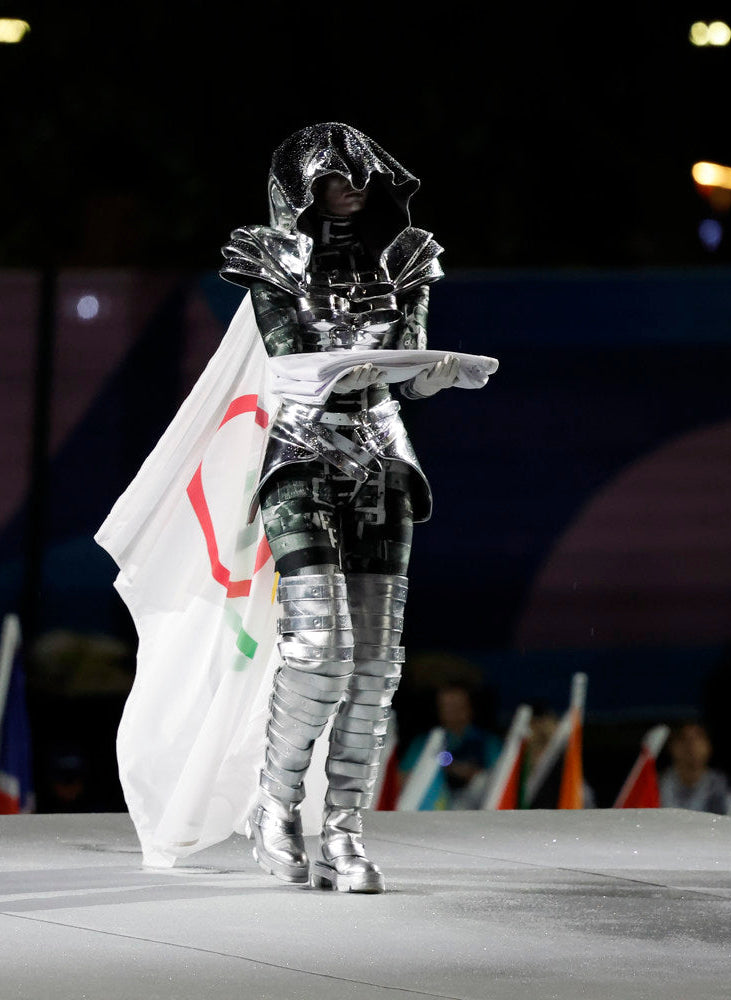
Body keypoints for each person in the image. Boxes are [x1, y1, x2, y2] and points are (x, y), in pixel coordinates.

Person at [220, 123, 465, 893]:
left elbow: (410, 363)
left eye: (361, 175)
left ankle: (345, 831)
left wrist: (439, 373)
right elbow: (290, 356)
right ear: (302, 185)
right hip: (302, 451)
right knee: (318, 650)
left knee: (375, 665)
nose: (351, 187)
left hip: (385, 458)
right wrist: (371, 367)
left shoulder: (407, 260)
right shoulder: (272, 256)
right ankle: (277, 803)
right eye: (333, 176)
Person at [658, 721, 731, 814]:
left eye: (698, 738)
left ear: (708, 746)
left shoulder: (722, 787)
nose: (691, 744)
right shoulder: (656, 785)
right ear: (672, 746)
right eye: (683, 739)